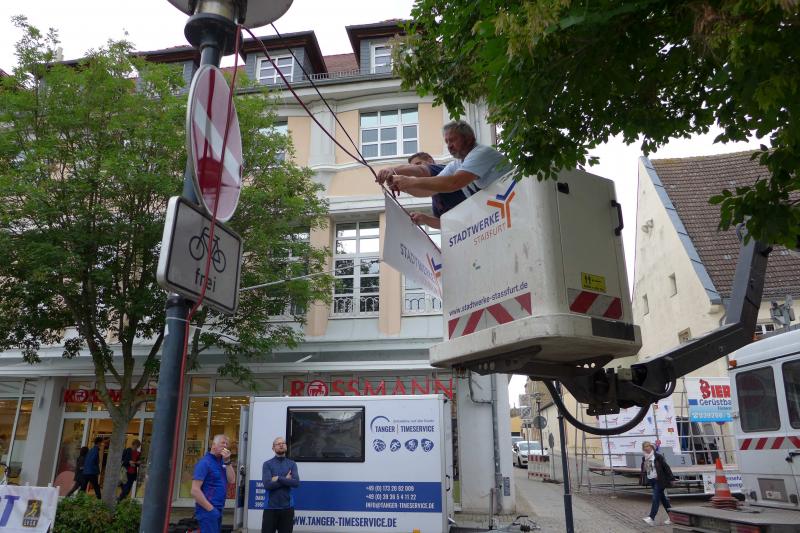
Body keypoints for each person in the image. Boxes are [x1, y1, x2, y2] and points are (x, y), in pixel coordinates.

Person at [376, 120, 513, 228]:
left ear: (469, 139)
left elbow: (454, 183)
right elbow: (429, 191)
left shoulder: (481, 153)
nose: (449, 145)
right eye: (447, 141)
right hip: (499, 217)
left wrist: (400, 175)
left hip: (513, 208)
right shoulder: (456, 165)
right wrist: (402, 186)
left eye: (452, 140)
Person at [191, 434, 236, 533]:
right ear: (214, 445)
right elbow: (194, 490)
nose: (225, 446)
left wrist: (227, 461)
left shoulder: (222, 462)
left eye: (227, 444)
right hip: (207, 510)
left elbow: (232, 480)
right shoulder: (204, 463)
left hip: (218, 508)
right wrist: (210, 509)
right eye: (222, 443)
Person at [262, 437, 300, 533]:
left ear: (286, 446)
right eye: (278, 444)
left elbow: (296, 483)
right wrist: (286, 479)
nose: (281, 445)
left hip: (287, 508)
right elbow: (267, 485)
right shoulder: (267, 464)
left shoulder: (292, 464)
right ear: (273, 448)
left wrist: (279, 478)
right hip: (270, 508)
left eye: (283, 443)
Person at [640, 441, 675, 526]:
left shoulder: (658, 456)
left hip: (659, 480)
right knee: (663, 500)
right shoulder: (644, 458)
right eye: (644, 447)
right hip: (651, 480)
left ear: (651, 447)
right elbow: (646, 469)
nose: (646, 448)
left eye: (647, 446)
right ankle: (672, 517)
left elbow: (666, 467)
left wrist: (671, 478)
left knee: (655, 498)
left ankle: (651, 518)